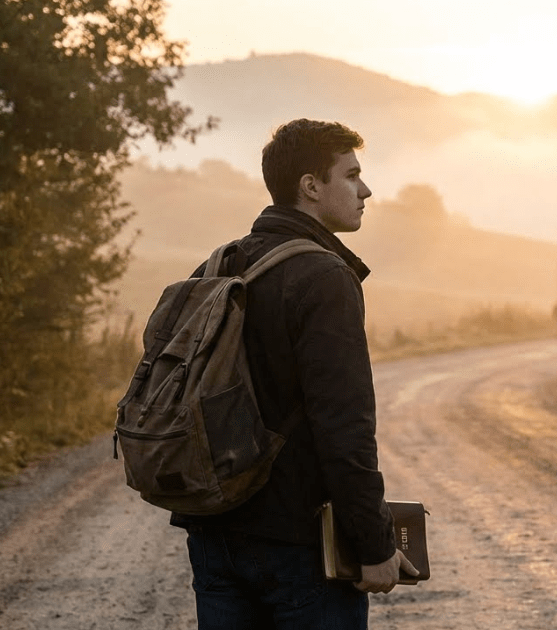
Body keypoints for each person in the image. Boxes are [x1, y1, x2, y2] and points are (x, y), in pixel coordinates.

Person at [170, 119, 415, 629]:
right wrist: (374, 544)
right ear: (310, 186)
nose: (365, 189)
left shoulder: (220, 264)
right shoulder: (324, 277)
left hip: (215, 535)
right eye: (351, 175)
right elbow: (344, 428)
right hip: (300, 549)